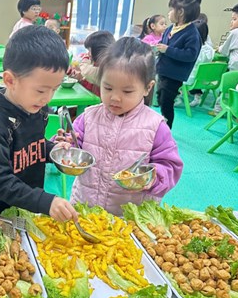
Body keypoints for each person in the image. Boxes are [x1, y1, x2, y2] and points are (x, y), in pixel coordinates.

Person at [0, 25, 78, 223]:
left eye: (54, 89)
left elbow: (31, 145)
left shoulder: (37, 108)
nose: (47, 98)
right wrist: (45, 201)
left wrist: (52, 150)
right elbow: (0, 180)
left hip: (27, 209)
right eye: (41, 91)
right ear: (10, 80)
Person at [66, 37, 183, 216]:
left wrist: (151, 178)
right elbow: (74, 144)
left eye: (127, 91)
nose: (115, 98)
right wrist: (65, 144)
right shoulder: (88, 117)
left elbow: (170, 167)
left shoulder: (155, 126)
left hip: (129, 217)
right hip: (86, 209)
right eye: (108, 88)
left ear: (147, 88)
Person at [155, 0, 203, 129]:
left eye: (171, 9)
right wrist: (159, 48)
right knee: (160, 98)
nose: (169, 13)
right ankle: (161, 125)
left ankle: (166, 129)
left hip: (174, 75)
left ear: (180, 12)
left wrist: (168, 50)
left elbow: (190, 55)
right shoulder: (171, 28)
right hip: (163, 70)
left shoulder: (192, 33)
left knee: (167, 102)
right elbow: (164, 42)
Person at [180, 19, 215, 107]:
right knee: (198, 73)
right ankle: (197, 97)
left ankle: (176, 98)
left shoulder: (191, 49)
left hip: (190, 79)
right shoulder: (210, 50)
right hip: (204, 80)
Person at [70, 30, 115, 97]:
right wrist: (79, 78)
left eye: (90, 51)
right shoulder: (94, 63)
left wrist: (84, 62)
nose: (88, 54)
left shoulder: (110, 68)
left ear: (98, 50)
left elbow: (88, 72)